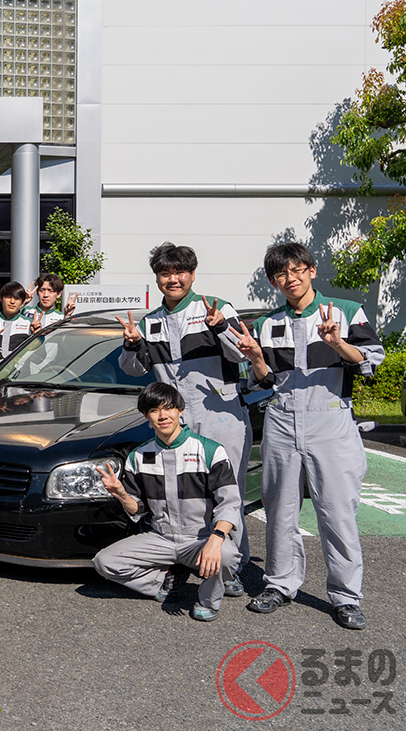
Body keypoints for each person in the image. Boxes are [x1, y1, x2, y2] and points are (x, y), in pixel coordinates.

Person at [230, 242, 384, 630]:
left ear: (312, 270)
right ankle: (279, 584)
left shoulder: (345, 311)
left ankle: (346, 596)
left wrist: (338, 344)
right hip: (282, 420)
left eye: (297, 269)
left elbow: (371, 360)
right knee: (279, 509)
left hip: (331, 421)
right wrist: (256, 358)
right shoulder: (267, 323)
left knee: (337, 513)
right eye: (281, 274)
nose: (290, 278)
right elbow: (265, 380)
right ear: (273, 281)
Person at [116, 242, 253, 593]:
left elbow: (243, 354)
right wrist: (131, 344)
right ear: (157, 278)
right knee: (181, 493)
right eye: (165, 273)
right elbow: (133, 369)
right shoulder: (150, 322)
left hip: (220, 414)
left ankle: (232, 567)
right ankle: (184, 558)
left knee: (227, 491)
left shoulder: (216, 308)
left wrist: (219, 327)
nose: (173, 279)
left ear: (192, 274)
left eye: (180, 272)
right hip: (174, 418)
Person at [92, 382, 242, 622]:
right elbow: (138, 510)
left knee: (226, 556)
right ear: (146, 416)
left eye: (168, 408)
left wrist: (215, 539)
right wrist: (121, 493)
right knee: (105, 562)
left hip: (201, 538)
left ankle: (208, 599)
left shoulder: (210, 450)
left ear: (180, 410)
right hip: (161, 538)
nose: (162, 416)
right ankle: (164, 582)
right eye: (154, 410)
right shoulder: (139, 456)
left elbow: (230, 504)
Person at [0, 280, 35, 359]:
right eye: (8, 297)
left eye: (17, 298)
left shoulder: (29, 323)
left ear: (22, 301)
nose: (12, 301)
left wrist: (37, 335)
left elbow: (38, 356)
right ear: (1, 298)